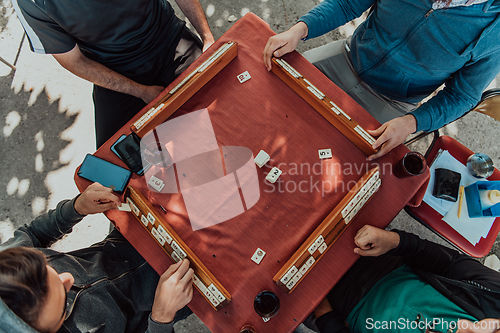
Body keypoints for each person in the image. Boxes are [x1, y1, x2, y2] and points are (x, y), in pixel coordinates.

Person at [263, 0, 500, 161]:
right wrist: (299, 29)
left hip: (391, 103)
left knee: (323, 164)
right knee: (266, 100)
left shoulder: (495, 30)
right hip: (344, 56)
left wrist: (411, 123)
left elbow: (463, 95)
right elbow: (347, 4)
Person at [12, 0, 215, 147]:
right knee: (116, 162)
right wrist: (141, 91)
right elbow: (75, 62)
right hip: (114, 70)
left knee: (222, 107)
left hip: (170, 39)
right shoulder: (29, 3)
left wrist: (207, 38)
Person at [0, 182, 194, 333]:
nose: (68, 279)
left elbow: (33, 234)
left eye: (48, 268)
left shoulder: (6, 267)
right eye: (63, 308)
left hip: (133, 238)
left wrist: (76, 208)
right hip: (184, 293)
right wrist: (161, 317)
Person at [307, 225, 500, 333]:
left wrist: (321, 308)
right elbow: (449, 263)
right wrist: (394, 241)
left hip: (342, 311)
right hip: (386, 265)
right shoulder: (495, 296)